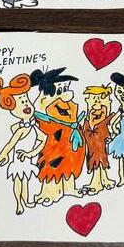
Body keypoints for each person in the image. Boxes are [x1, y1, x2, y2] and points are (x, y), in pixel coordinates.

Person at [0, 74, 46, 215]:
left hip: (27, 160)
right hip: (18, 162)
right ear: (12, 108)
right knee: (18, 182)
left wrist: (31, 153)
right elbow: (11, 143)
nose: (25, 104)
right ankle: (19, 203)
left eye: (26, 100)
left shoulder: (33, 126)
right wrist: (3, 154)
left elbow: (43, 139)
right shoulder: (21, 129)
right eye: (21, 102)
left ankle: (26, 201)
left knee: (25, 181)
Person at [31, 67, 85, 205]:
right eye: (60, 91)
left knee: (70, 164)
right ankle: (50, 192)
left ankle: (69, 188)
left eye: (65, 89)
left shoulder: (69, 105)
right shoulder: (48, 108)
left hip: (70, 141)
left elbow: (72, 119)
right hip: (55, 141)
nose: (66, 94)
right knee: (52, 165)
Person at [80, 85, 116, 195]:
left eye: (100, 101)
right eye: (94, 101)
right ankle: (102, 180)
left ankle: (97, 183)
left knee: (98, 158)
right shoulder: (87, 120)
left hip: (99, 143)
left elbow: (111, 125)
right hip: (91, 145)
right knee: (94, 158)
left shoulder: (105, 118)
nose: (97, 105)